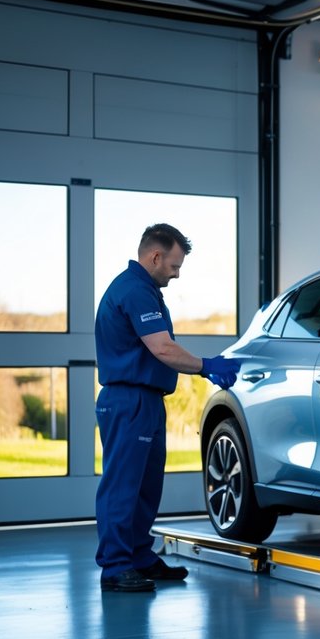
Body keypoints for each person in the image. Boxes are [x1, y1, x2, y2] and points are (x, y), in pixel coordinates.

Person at [94, 223, 241, 592]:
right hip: (128, 400)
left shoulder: (146, 291)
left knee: (146, 487)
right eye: (174, 266)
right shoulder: (135, 291)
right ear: (155, 256)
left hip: (146, 400)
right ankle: (115, 567)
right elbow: (163, 348)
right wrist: (207, 367)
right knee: (122, 486)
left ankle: (140, 556)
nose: (176, 274)